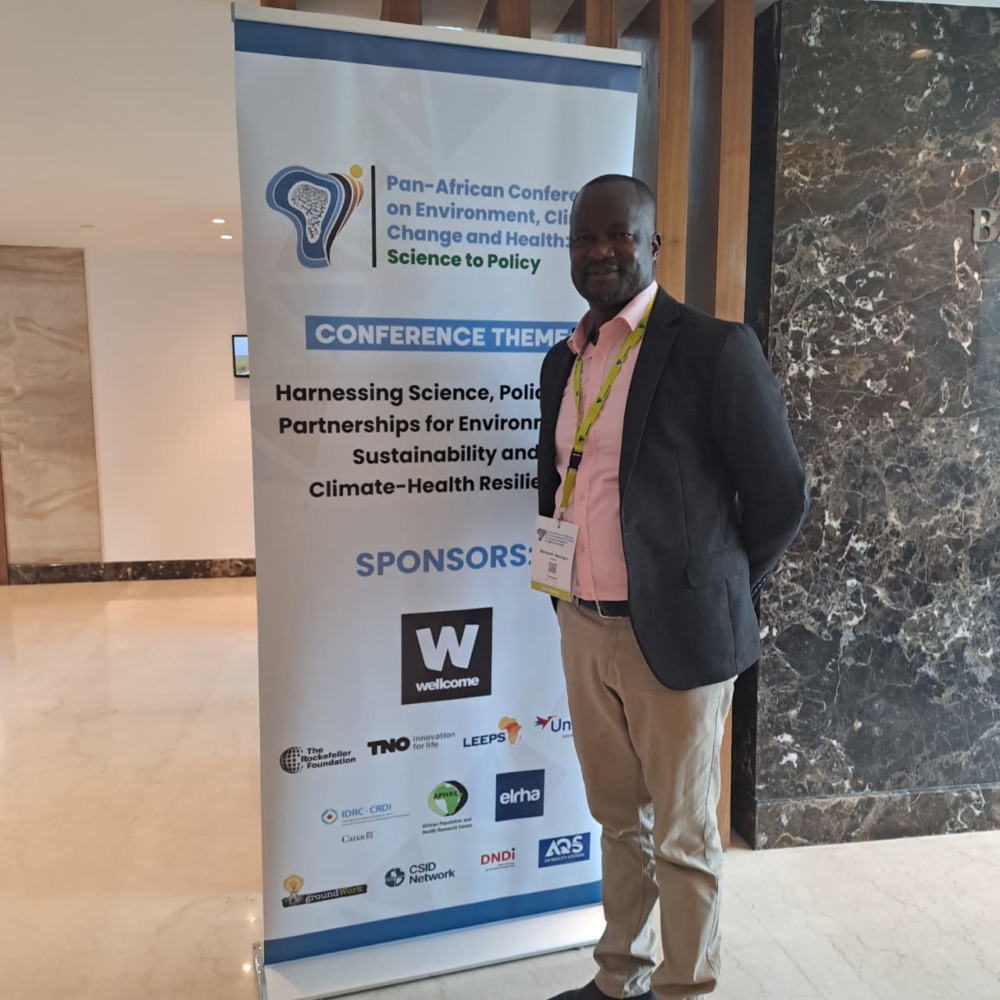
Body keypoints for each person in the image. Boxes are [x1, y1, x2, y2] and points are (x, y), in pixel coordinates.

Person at [535, 175, 807, 1000]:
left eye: (618, 235)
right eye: (584, 238)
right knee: (618, 823)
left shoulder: (714, 350)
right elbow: (559, 484)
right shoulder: (562, 361)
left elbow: (780, 496)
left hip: (678, 638)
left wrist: (710, 586)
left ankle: (685, 988)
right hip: (584, 628)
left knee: (683, 837)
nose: (600, 251)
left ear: (653, 244)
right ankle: (618, 977)